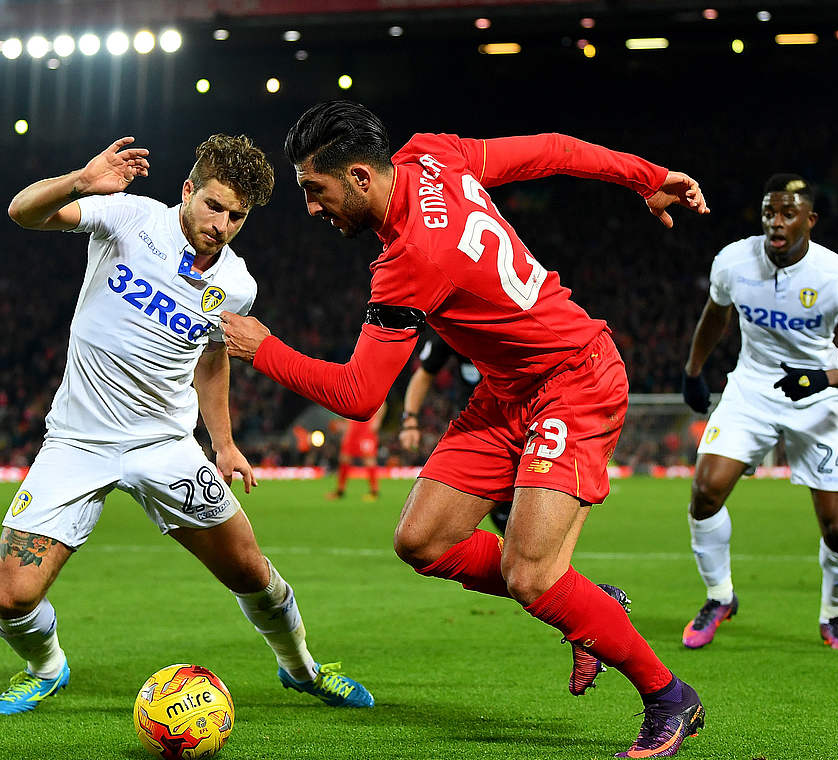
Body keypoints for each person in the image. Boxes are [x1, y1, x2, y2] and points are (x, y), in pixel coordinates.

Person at [221, 101, 709, 758]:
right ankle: (590, 601)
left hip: (574, 381)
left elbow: (360, 394)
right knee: (424, 541)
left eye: (317, 190)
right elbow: (555, 146)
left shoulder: (410, 261)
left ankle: (668, 696)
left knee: (532, 577)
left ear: (361, 176)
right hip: (508, 394)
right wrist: (645, 175)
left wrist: (264, 348)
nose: (311, 208)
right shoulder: (431, 155)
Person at [0, 134, 373, 716]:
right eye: (214, 206)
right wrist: (80, 181)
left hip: (167, 446)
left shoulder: (237, 286)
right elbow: (22, 212)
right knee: (11, 598)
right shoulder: (129, 218)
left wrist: (224, 443)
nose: (222, 224)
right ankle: (46, 667)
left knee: (249, 569)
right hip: (77, 441)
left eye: (237, 216)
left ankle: (302, 669)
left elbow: (211, 358)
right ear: (188, 190)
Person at [679, 174, 838, 652]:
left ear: (809, 221)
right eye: (769, 212)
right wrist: (693, 370)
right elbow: (717, 313)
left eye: (788, 214)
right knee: (705, 491)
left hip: (817, 397)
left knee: (836, 527)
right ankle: (720, 596)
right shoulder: (734, 260)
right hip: (752, 387)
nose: (776, 222)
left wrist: (822, 378)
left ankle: (834, 616)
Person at [398, 336, 507, 529]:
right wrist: (410, 421)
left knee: (512, 515)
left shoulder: (513, 324)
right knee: (426, 528)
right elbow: (424, 373)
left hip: (514, 425)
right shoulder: (450, 328)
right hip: (472, 428)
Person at [328, 401, 386, 501]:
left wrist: (378, 420)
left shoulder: (370, 388)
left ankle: (374, 491)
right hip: (352, 429)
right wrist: (346, 428)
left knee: (369, 459)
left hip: (366, 428)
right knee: (344, 458)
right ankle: (340, 491)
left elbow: (382, 402)